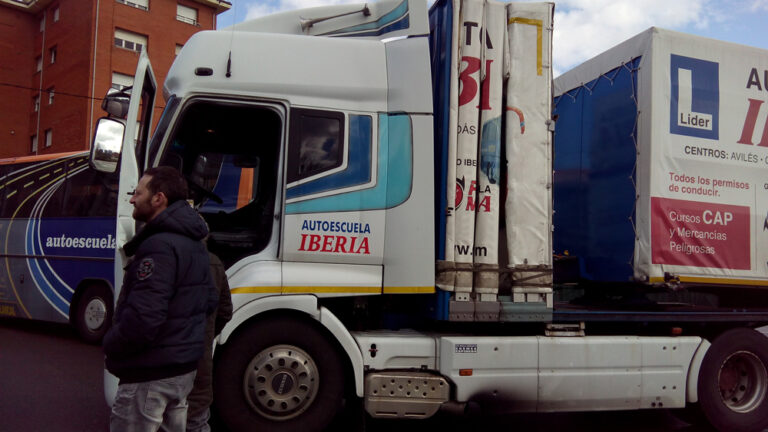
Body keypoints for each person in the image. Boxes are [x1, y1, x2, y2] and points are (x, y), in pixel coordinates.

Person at [103, 166, 217, 432]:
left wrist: (110, 342)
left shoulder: (159, 246)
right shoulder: (195, 244)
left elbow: (143, 318)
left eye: (138, 193)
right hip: (182, 371)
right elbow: (210, 302)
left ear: (159, 198)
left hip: (151, 374)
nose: (132, 199)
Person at [186, 249, 233, 432]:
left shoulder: (156, 254)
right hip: (199, 356)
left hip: (159, 364)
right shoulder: (213, 261)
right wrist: (207, 336)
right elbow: (225, 312)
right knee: (196, 416)